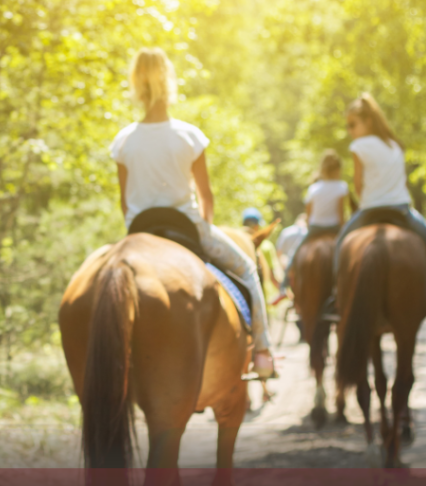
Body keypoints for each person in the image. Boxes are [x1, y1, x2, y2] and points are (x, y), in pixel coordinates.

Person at [109, 47, 276, 378]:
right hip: (187, 228)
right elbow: (206, 198)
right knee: (246, 268)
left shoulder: (124, 141)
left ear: (136, 85)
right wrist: (204, 226)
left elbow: (125, 203)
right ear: (169, 81)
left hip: (139, 232)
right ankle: (262, 352)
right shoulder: (189, 136)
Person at [335, 93, 426, 263]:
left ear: (368, 121)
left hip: (371, 208)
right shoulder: (395, 145)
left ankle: (334, 288)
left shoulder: (358, 146)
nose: (349, 130)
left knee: (340, 244)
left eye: (352, 125)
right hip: (401, 208)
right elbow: (402, 181)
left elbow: (358, 186)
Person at [272, 151, 349, 304]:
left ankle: (283, 286)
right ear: (337, 170)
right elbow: (341, 215)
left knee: (295, 254)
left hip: (315, 228)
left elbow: (308, 215)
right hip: (334, 228)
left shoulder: (314, 188)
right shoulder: (342, 187)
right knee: (348, 256)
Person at [242, 208, 282, 296]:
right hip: (259, 294)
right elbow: (273, 276)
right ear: (256, 226)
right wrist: (282, 290)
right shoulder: (266, 245)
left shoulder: (234, 242)